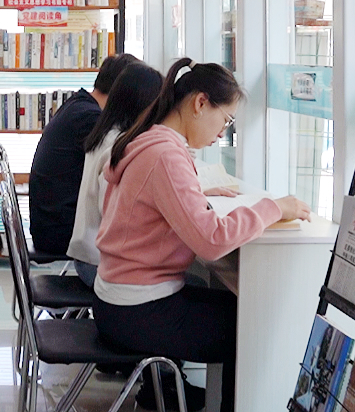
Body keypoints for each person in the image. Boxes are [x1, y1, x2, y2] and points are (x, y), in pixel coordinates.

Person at [92, 58, 312, 412]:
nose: (222, 133)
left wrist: (196, 195)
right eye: (226, 120)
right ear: (200, 103)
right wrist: (274, 208)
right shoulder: (166, 155)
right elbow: (212, 241)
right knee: (252, 326)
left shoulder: (149, 140)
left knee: (240, 310)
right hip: (136, 309)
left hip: (118, 298)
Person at [28, 53, 139, 257]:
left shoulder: (79, 104)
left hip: (50, 225)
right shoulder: (89, 118)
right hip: (60, 233)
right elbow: (122, 163)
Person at [65, 62, 163, 287]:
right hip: (98, 265)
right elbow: (112, 212)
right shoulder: (118, 146)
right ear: (143, 105)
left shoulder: (105, 134)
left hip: (87, 256)